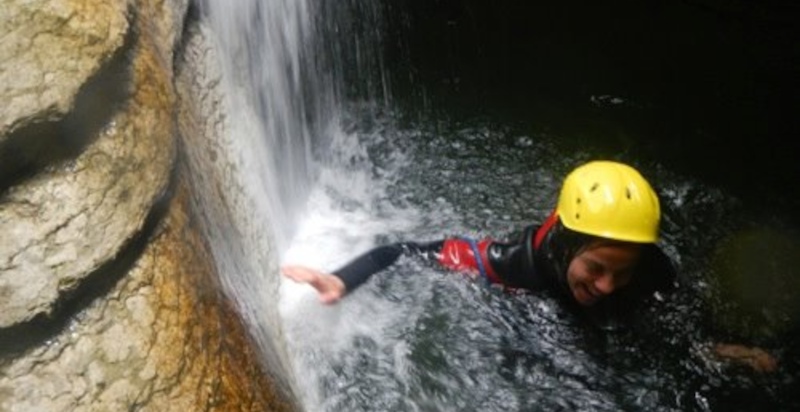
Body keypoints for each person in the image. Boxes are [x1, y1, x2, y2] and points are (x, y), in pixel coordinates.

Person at [282, 160, 777, 372]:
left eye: (621, 273)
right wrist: (343, 278)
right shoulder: (514, 264)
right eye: (597, 267)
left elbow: (674, 317)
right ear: (564, 244)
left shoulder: (649, 270)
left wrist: (714, 348)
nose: (607, 284)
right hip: (534, 319)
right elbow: (404, 252)